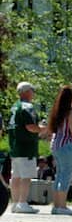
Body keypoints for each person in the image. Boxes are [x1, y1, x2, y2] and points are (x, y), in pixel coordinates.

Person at [8, 81, 47, 213]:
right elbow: (30, 127)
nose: (33, 93)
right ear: (26, 91)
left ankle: (14, 203)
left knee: (16, 176)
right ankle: (23, 202)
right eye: (32, 90)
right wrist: (42, 128)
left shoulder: (15, 106)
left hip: (15, 146)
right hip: (26, 147)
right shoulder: (27, 107)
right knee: (26, 176)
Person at [47, 85, 72, 215]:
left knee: (59, 175)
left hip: (57, 144)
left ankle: (56, 205)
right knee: (66, 175)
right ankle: (62, 206)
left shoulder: (58, 110)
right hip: (68, 145)